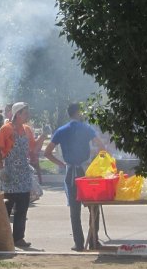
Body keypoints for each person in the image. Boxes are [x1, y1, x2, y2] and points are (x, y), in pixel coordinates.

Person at [44, 103, 105, 251]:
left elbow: (47, 152)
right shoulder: (86, 128)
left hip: (70, 172)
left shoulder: (61, 130)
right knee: (94, 206)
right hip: (86, 173)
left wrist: (62, 164)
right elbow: (101, 146)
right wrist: (95, 161)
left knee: (74, 210)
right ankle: (93, 241)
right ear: (78, 112)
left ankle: (79, 243)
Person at [0, 102, 36, 248]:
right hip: (10, 174)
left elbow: (33, 148)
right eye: (25, 113)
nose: (28, 115)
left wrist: (44, 136)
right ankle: (2, 238)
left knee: (22, 208)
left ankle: (18, 238)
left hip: (23, 174)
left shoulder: (27, 130)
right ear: (17, 114)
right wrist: (1, 169)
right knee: (7, 207)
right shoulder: (5, 129)